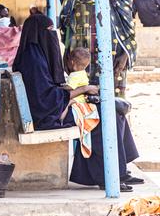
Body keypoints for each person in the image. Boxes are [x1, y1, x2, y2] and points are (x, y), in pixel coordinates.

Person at [12, 13, 140, 192]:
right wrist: (82, 90)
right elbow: (44, 101)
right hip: (47, 117)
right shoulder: (32, 60)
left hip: (53, 110)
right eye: (48, 30)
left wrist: (67, 90)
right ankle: (107, 177)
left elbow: (45, 91)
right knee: (103, 117)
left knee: (112, 111)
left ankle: (121, 170)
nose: (51, 34)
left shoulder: (35, 54)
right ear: (38, 33)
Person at [59, 0, 137, 97]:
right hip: (81, 46)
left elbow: (127, 18)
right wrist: (68, 46)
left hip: (112, 46)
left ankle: (115, 121)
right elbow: (65, 17)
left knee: (111, 88)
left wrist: (127, 51)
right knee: (84, 88)